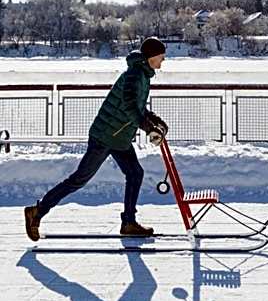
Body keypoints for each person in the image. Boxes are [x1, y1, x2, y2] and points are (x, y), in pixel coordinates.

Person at [24, 37, 169, 240]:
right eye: (161, 57)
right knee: (78, 180)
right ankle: (37, 212)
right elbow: (129, 107)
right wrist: (148, 128)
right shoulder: (135, 75)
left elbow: (137, 107)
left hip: (119, 137)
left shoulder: (143, 75)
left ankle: (129, 222)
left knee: (135, 174)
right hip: (104, 136)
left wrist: (155, 121)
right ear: (152, 56)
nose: (163, 61)